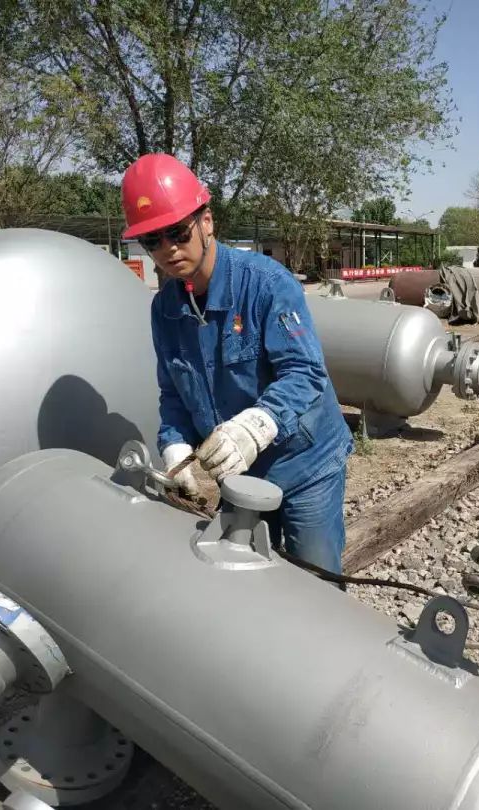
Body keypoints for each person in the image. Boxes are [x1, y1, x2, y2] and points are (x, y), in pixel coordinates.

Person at [121, 153, 353, 573]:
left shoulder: (265, 284)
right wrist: (174, 444)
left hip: (306, 463)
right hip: (240, 473)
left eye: (177, 232)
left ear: (206, 221)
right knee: (240, 579)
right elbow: (173, 391)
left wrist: (256, 425)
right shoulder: (165, 309)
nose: (168, 249)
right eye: (153, 240)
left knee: (315, 584)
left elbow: (306, 373)